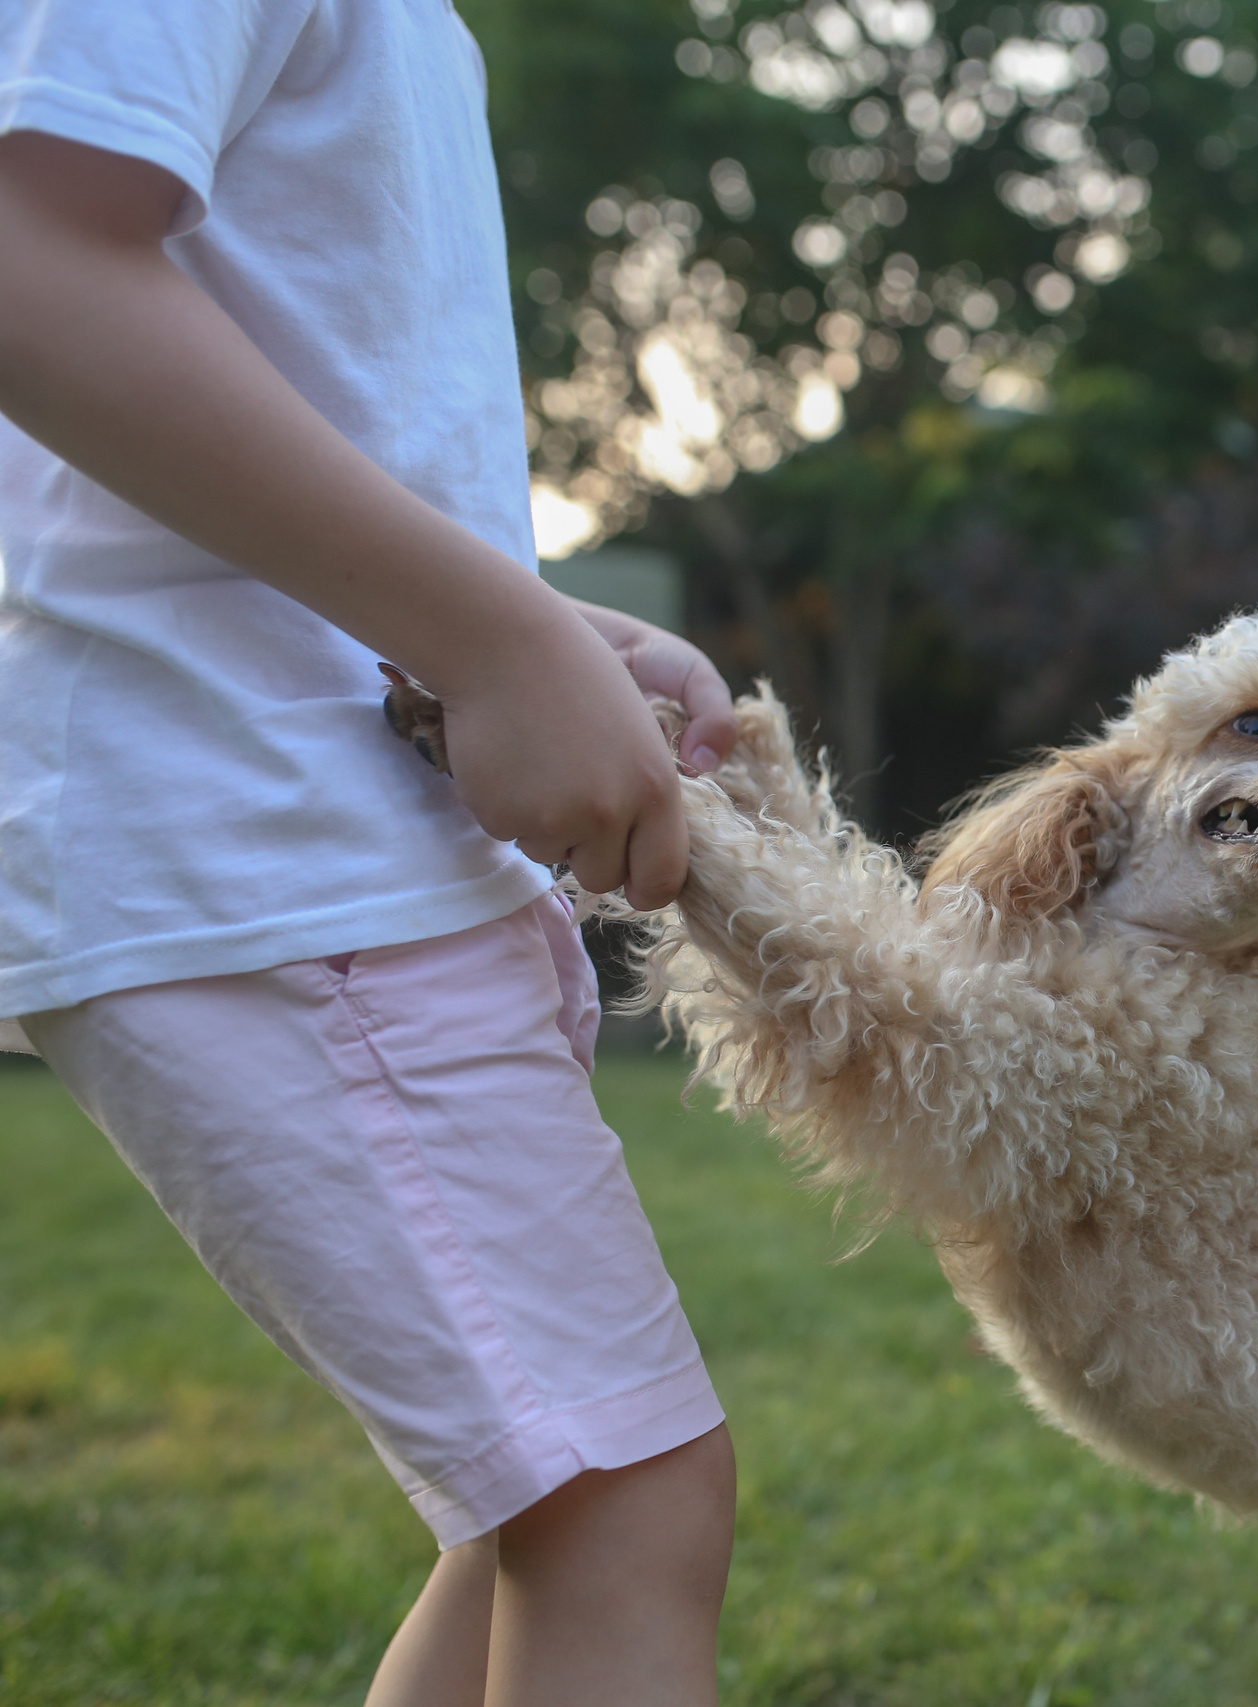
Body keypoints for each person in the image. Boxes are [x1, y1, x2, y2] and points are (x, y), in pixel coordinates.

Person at [0, 4, 740, 1702]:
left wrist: (536, 630)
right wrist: (493, 650)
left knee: (534, 1518)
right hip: (262, 839)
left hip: (329, 828)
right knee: (617, 1500)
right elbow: (32, 258)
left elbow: (304, 396)